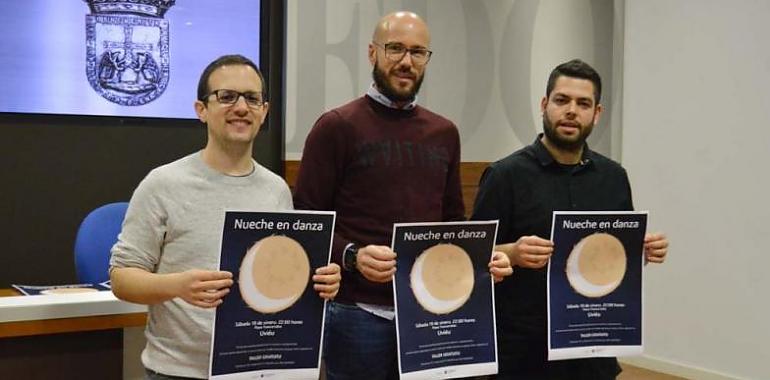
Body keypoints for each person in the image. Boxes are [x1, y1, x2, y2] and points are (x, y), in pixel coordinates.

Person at [293, 11, 512, 380]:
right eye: (395, 48)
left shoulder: (445, 133)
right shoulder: (336, 127)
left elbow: (453, 225)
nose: (406, 61)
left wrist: (484, 260)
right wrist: (352, 256)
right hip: (356, 314)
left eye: (418, 52)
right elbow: (306, 220)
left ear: (427, 59)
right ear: (372, 53)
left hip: (429, 311)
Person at [109, 54, 342, 380]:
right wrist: (177, 285)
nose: (241, 108)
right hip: (180, 372)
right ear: (201, 110)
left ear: (265, 112)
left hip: (260, 368)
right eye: (227, 97)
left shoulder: (276, 189)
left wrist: (318, 280)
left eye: (252, 98)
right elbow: (122, 279)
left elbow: (279, 275)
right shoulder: (163, 184)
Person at [471, 59, 669, 380]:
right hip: (523, 353)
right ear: (544, 105)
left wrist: (641, 251)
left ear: (597, 113)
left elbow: (615, 258)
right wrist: (513, 253)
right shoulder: (504, 175)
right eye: (562, 100)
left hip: (592, 348)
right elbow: (473, 259)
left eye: (583, 103)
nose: (572, 111)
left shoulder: (614, 177)